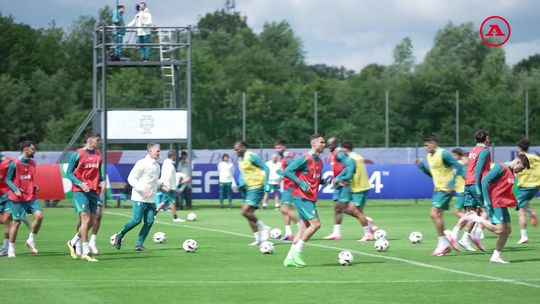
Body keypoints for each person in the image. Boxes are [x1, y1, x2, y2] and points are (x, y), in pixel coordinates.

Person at [459, 154, 530, 263]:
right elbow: (484, 181)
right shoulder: (500, 167)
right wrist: (486, 200)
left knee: (507, 230)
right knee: (499, 229)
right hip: (495, 202)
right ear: (517, 162)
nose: (520, 171)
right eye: (521, 168)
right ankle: (475, 218)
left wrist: (513, 202)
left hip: (502, 204)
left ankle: (496, 256)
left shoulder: (511, 173)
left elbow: (505, 190)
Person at [281, 134, 326, 268]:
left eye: (324, 143)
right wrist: (300, 183)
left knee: (303, 228)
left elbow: (313, 179)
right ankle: (297, 252)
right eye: (321, 142)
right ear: (313, 144)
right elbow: (287, 171)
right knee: (316, 224)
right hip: (302, 196)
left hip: (310, 198)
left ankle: (289, 258)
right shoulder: (305, 158)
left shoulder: (320, 161)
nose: (324, 145)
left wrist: (325, 181)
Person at [416, 135, 464, 256]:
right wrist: (422, 168)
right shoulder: (429, 156)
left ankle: (443, 243)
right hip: (437, 190)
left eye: (427, 144)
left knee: (434, 214)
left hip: (446, 189)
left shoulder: (444, 154)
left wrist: (452, 183)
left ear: (434, 144)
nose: (425, 147)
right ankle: (446, 244)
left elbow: (459, 166)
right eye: (424, 145)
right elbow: (433, 175)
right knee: (437, 216)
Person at [114, 143, 161, 251]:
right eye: (157, 151)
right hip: (139, 197)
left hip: (151, 199)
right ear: (150, 151)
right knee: (136, 220)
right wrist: (142, 190)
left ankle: (139, 245)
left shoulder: (157, 166)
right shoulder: (142, 163)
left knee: (149, 222)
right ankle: (119, 235)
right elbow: (131, 178)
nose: (159, 153)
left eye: (159, 151)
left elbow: (153, 181)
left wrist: (160, 184)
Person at [65, 132, 104, 262]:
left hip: (93, 190)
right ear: (90, 141)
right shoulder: (77, 154)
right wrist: (80, 183)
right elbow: (69, 173)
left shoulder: (98, 154)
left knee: (92, 220)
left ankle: (73, 241)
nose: (100, 142)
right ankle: (86, 251)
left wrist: (102, 181)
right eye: (98, 140)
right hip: (80, 190)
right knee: (85, 219)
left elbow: (98, 171)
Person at [5, 140, 43, 258]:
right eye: (33, 149)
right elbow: (8, 179)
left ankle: (30, 240)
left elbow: (28, 179)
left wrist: (34, 186)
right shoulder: (14, 163)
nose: (35, 151)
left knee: (39, 216)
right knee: (16, 223)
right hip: (17, 198)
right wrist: (15, 189)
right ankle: (11, 248)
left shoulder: (32, 162)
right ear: (25, 149)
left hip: (30, 196)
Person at [233, 141, 271, 246]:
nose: (236, 151)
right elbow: (244, 174)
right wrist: (241, 184)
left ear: (243, 147)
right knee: (249, 214)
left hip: (257, 187)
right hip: (249, 188)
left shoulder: (251, 157)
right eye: (235, 149)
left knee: (244, 211)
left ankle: (265, 227)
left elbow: (266, 168)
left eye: (237, 149)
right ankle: (258, 239)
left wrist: (267, 183)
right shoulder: (241, 159)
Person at [323, 137, 356, 240]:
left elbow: (350, 165)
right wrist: (335, 179)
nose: (328, 146)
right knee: (337, 207)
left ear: (335, 144)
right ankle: (336, 233)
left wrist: (342, 178)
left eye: (330, 144)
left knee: (344, 208)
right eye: (327, 144)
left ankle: (366, 221)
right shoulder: (332, 154)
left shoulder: (339, 153)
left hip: (343, 183)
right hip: (337, 183)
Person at [341, 141, 375, 242]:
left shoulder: (351, 159)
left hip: (358, 188)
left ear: (345, 149)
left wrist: (344, 180)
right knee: (347, 209)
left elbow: (351, 172)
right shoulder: (358, 156)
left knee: (358, 212)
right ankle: (367, 221)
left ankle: (368, 234)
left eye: (341, 149)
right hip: (361, 187)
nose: (340, 151)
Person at [447, 148, 476, 251]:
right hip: (463, 191)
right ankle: (465, 236)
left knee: (463, 213)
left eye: (454, 155)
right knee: (468, 213)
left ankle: (456, 234)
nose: (453, 157)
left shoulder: (460, 164)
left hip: (463, 192)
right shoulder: (459, 164)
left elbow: (464, 176)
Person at [514, 139, 539, 244]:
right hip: (536, 186)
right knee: (523, 205)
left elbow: (516, 170)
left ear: (519, 148)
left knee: (521, 212)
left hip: (524, 186)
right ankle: (531, 212)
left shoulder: (520, 158)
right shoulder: (536, 157)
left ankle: (524, 236)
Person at [155, 150, 190, 222]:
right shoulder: (169, 165)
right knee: (172, 202)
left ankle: (153, 215)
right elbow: (168, 177)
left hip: (169, 186)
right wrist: (167, 187)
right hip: (169, 187)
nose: (176, 158)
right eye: (175, 156)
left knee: (164, 202)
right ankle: (175, 218)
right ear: (172, 156)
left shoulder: (167, 164)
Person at [274, 140, 298, 241]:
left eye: (279, 147)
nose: (277, 150)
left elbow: (295, 168)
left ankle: (302, 227)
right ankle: (288, 234)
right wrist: (280, 179)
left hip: (291, 186)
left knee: (285, 209)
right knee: (283, 209)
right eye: (276, 148)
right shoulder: (284, 157)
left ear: (284, 147)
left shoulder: (288, 158)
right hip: (287, 186)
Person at [0, 152, 13, 256]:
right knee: (2, 220)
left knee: (6, 220)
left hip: (7, 194)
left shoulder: (8, 162)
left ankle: (5, 248)